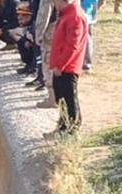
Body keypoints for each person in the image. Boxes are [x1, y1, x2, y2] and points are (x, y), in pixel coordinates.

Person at [49, 0, 88, 135]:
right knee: (60, 97)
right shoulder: (67, 14)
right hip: (61, 65)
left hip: (67, 67)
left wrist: (60, 65)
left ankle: (72, 128)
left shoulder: (74, 16)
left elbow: (72, 45)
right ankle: (64, 125)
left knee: (69, 98)